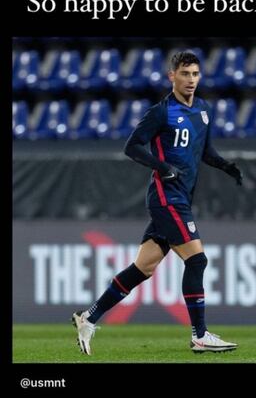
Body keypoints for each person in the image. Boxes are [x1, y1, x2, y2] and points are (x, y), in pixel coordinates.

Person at [72, 51, 243, 355]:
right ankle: (199, 335)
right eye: (185, 74)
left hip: (181, 197)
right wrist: (162, 168)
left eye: (195, 74)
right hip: (167, 197)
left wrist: (227, 166)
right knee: (197, 260)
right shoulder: (161, 112)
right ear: (172, 76)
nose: (191, 80)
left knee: (143, 268)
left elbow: (205, 151)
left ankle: (89, 318)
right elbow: (132, 146)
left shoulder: (203, 110)